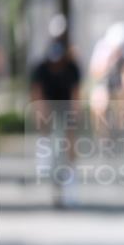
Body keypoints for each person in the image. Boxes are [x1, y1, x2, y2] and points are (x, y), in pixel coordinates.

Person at [30, 16, 82, 207]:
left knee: (70, 141)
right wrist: (40, 114)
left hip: (65, 106)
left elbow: (76, 93)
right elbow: (37, 93)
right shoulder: (42, 67)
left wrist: (75, 116)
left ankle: (71, 183)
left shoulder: (72, 66)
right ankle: (44, 150)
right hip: (49, 105)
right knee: (47, 135)